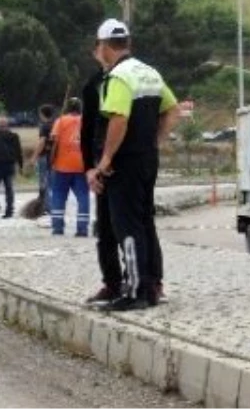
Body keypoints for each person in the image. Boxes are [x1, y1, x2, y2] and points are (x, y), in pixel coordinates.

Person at [87, 18, 181, 311]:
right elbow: (173, 110)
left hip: (125, 163)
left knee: (125, 226)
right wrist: (155, 140)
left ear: (104, 47)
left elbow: (118, 119)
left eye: (98, 46)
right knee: (144, 222)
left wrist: (105, 160)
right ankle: (152, 286)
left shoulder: (118, 77)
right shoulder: (150, 73)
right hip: (147, 159)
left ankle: (135, 291)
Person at [81, 53, 120, 306]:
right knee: (105, 228)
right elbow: (87, 130)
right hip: (102, 166)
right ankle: (112, 283)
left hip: (126, 163)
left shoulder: (132, 77)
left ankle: (148, 283)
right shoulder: (94, 85)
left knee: (135, 228)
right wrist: (90, 167)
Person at [48, 98, 88, 236]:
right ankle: (82, 229)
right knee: (83, 196)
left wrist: (51, 161)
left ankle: (57, 227)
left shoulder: (60, 121)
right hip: (82, 165)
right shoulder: (87, 120)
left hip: (62, 165)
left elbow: (54, 142)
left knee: (58, 196)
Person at [31, 104, 57, 216]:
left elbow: (42, 142)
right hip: (54, 156)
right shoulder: (56, 125)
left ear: (42, 114)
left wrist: (34, 157)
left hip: (45, 157)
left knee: (44, 182)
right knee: (52, 183)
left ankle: (47, 207)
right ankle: (52, 205)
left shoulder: (45, 126)